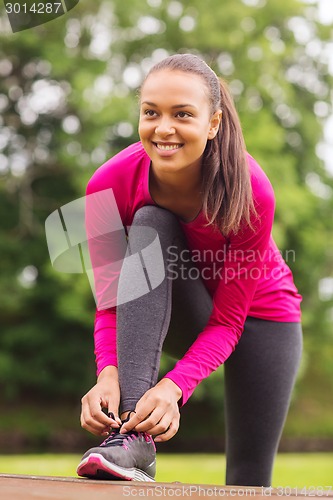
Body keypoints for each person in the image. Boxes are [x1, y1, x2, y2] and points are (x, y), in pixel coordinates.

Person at [76, 53, 303, 486]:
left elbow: (228, 323)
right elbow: (110, 304)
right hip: (181, 306)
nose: (164, 128)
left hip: (264, 319)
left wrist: (174, 388)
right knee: (151, 222)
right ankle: (133, 438)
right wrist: (108, 371)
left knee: (249, 480)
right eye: (150, 113)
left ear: (213, 123)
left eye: (183, 114)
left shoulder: (252, 191)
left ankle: (142, 426)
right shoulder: (106, 185)